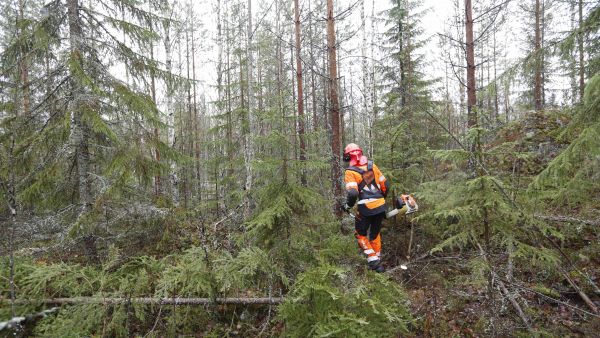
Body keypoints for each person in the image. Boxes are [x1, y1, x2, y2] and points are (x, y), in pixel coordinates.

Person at [342, 143, 389, 273]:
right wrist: (381, 199)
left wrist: (347, 206)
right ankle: (377, 262)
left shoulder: (350, 172)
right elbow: (385, 184)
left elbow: (352, 193)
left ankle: (373, 261)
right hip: (380, 205)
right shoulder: (372, 166)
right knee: (375, 234)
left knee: (360, 234)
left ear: (347, 156)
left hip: (365, 208)